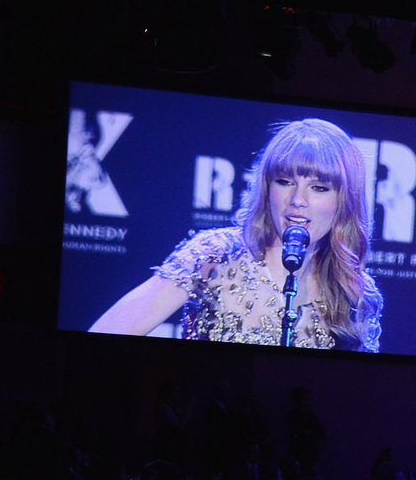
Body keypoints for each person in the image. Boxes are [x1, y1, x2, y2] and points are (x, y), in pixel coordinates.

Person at [90, 118, 383, 350]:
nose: (298, 199)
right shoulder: (215, 254)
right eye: (285, 181)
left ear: (344, 201)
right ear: (267, 188)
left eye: (319, 188)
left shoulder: (355, 291)